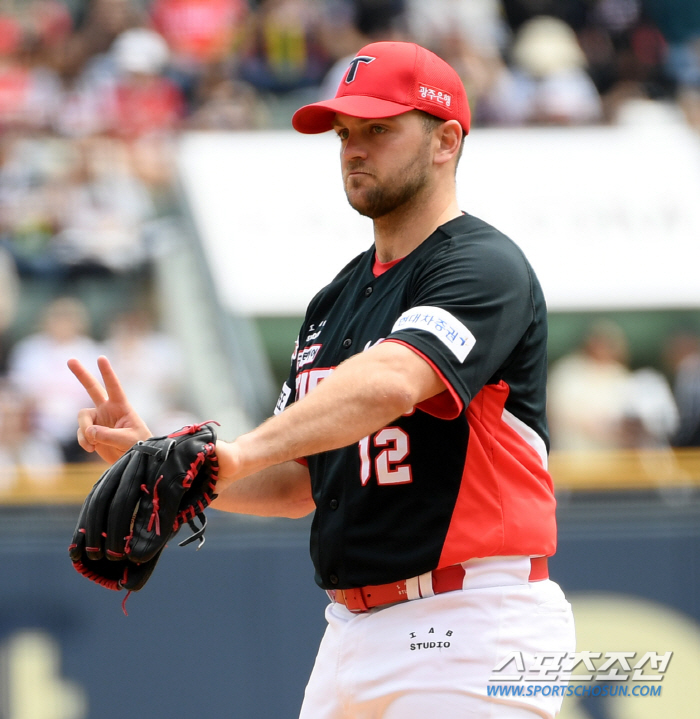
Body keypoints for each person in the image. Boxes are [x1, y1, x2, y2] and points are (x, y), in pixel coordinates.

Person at [69, 41, 575, 719]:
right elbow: (297, 482)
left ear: (446, 140)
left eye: (379, 129)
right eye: (344, 133)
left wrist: (237, 449)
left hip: (477, 618)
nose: (354, 149)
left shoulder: (484, 267)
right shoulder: (333, 303)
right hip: (351, 633)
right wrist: (158, 453)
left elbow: (394, 378)